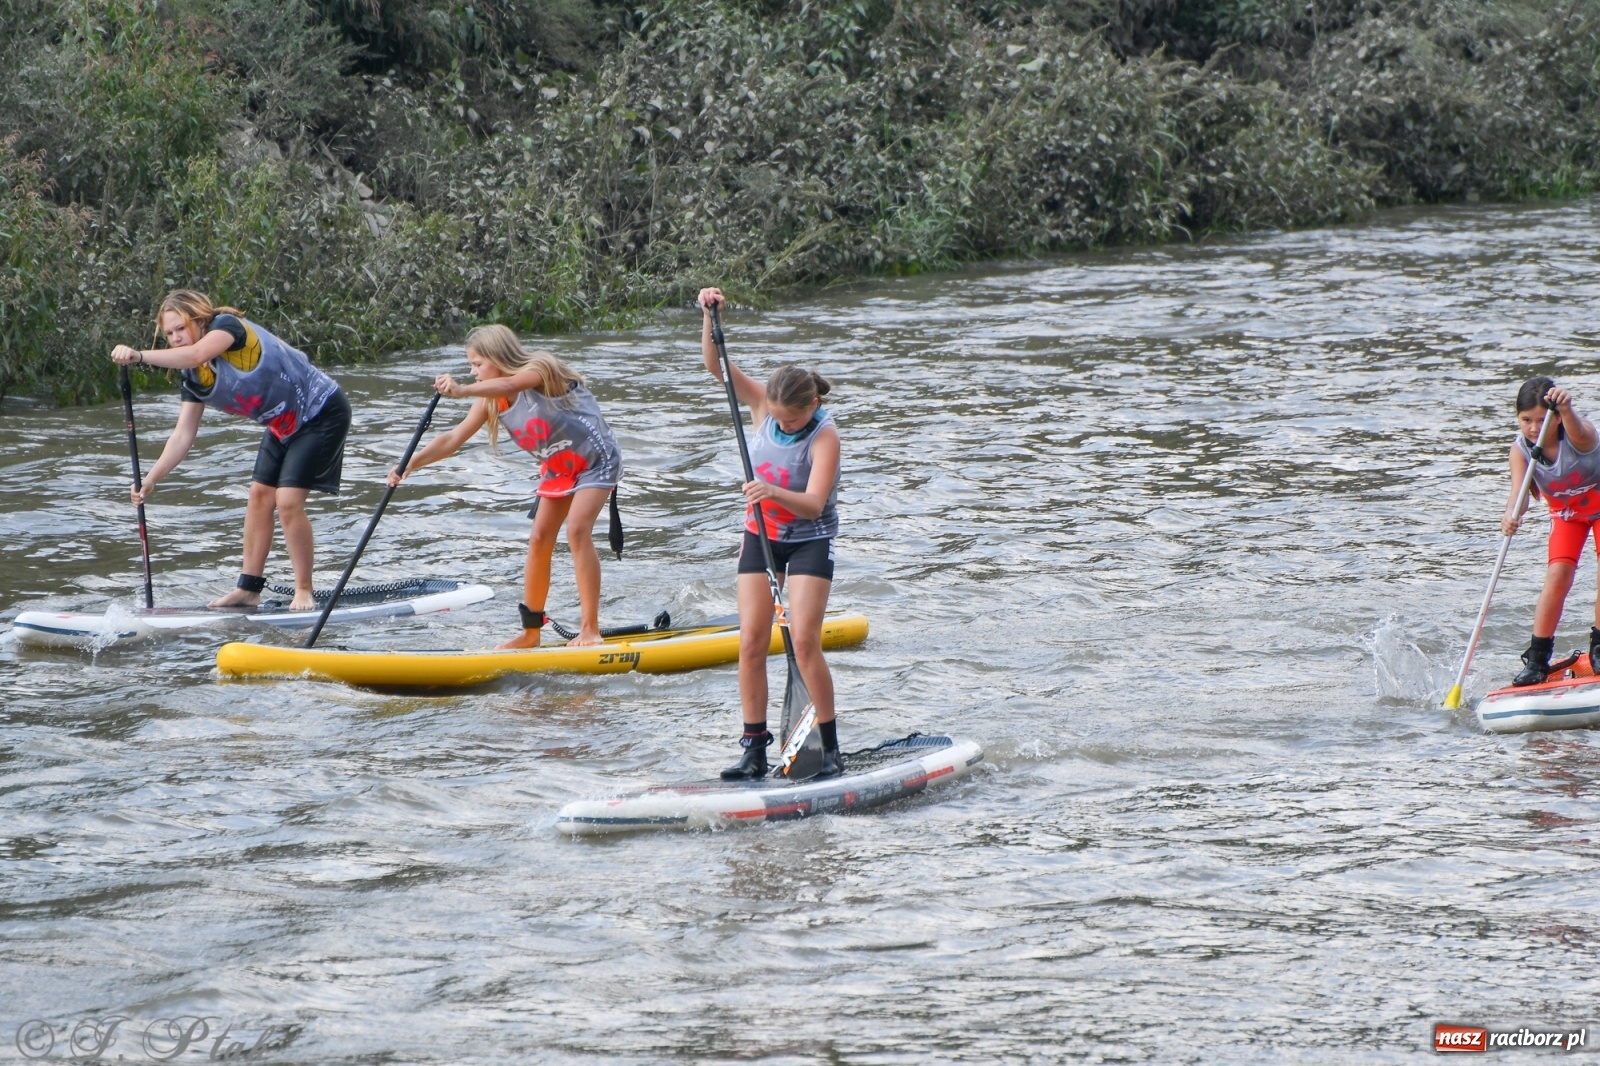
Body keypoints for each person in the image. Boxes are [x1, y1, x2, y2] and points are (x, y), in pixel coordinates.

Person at [109, 290, 350, 612]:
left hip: (322, 411)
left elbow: (195, 353)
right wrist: (151, 478)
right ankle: (248, 590)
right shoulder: (194, 376)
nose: (176, 338)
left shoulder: (227, 327)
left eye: (181, 328)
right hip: (283, 424)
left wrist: (139, 356)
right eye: (169, 334)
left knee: (288, 501)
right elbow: (183, 434)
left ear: (199, 320)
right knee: (259, 497)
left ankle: (304, 590)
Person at [387, 324, 621, 649]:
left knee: (577, 531)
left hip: (596, 459)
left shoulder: (539, 369)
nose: (473, 372)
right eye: (470, 366)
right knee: (539, 539)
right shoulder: (491, 402)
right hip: (558, 468)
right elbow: (453, 439)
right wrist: (410, 463)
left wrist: (462, 390)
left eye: (478, 364)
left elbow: (510, 382)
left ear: (498, 357)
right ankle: (531, 632)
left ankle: (590, 629)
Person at [697, 287, 844, 780]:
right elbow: (717, 369)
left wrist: (769, 493)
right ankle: (754, 750)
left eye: (793, 419)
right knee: (752, 642)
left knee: (803, 642)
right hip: (759, 537)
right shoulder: (761, 403)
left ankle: (829, 747)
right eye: (778, 419)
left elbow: (814, 504)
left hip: (808, 539)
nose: (784, 425)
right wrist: (708, 316)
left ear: (814, 404)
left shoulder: (825, 435)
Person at [1503, 376, 1600, 685]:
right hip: (1568, 516)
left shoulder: (1578, 433)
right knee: (1557, 577)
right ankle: (1537, 661)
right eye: (1526, 420)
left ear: (1556, 418)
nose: (1534, 427)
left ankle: (1599, 649)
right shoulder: (1520, 450)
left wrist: (1567, 408)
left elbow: (1583, 434)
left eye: (1542, 420)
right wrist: (1511, 516)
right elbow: (1518, 496)